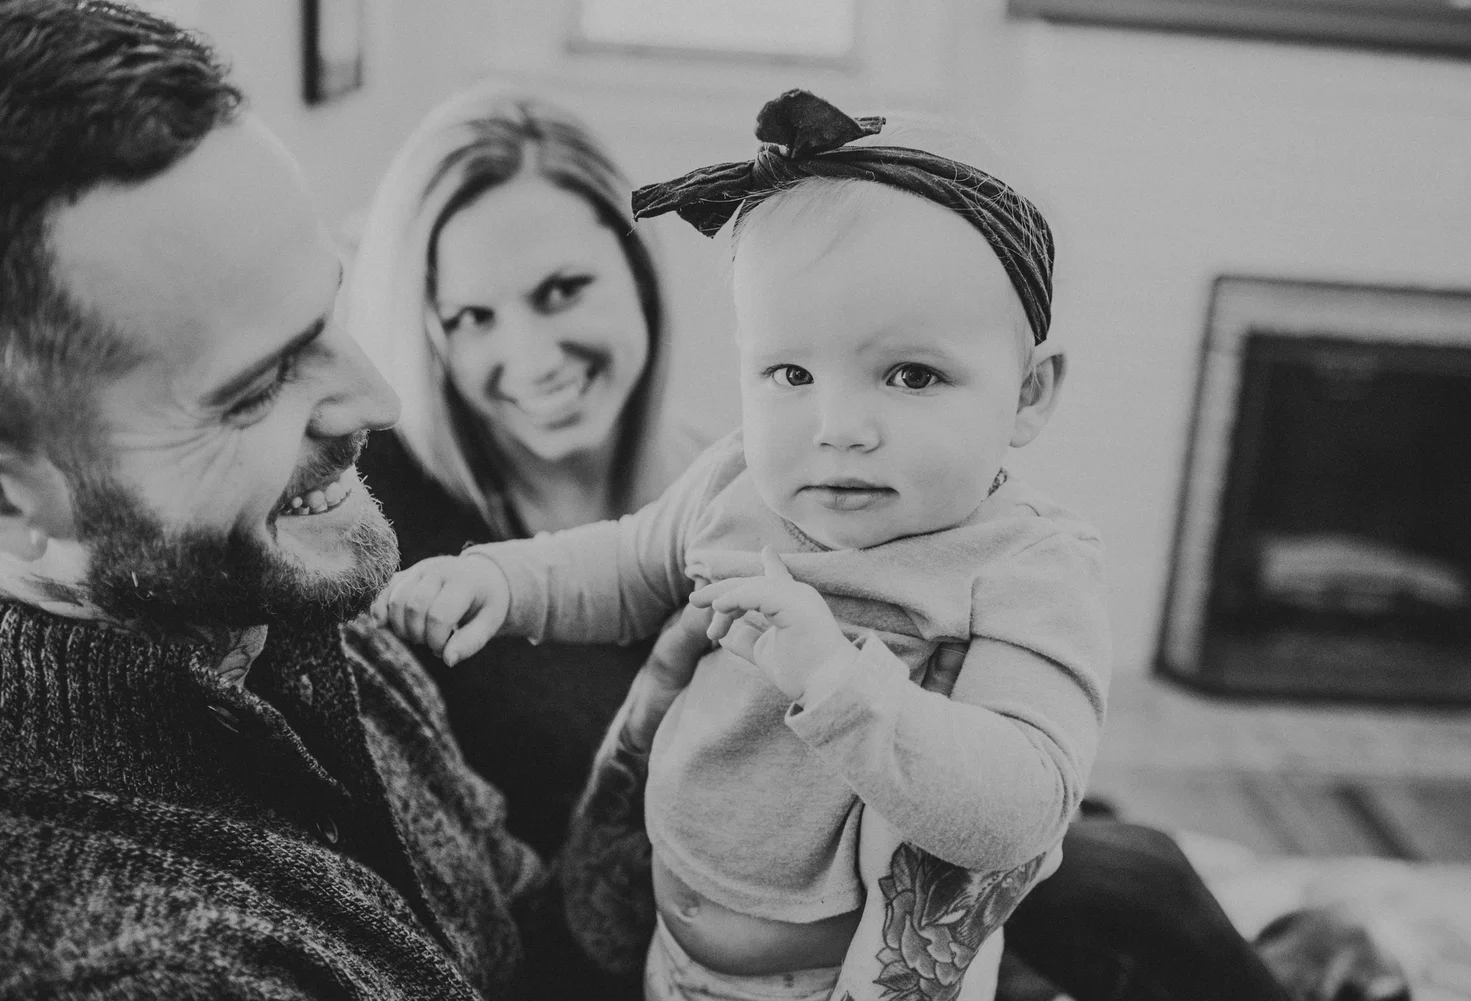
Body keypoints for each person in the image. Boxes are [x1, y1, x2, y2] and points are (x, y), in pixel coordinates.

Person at [0, 4, 676, 997]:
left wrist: (654, 772)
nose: (379, 401)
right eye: (256, 386)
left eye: (329, 313)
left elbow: (521, 941)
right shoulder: (135, 962)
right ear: (18, 499)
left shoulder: (296, 602)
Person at [378, 90, 1111, 1001]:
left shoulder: (1022, 567)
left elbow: (1026, 806)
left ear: (1030, 393)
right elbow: (622, 560)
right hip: (668, 958)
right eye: (791, 372)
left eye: (912, 374)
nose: (839, 425)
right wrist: (501, 576)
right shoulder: (736, 485)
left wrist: (838, 682)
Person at [348, 84, 705, 857]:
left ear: (639, 268)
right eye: (473, 317)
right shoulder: (375, 518)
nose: (535, 360)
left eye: (563, 290)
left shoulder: (726, 488)